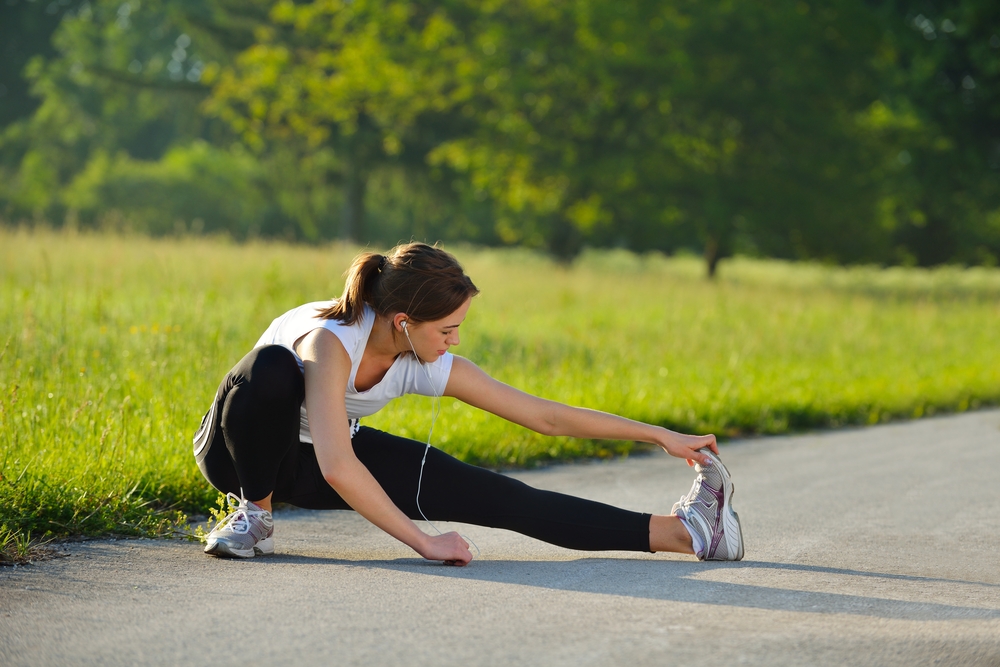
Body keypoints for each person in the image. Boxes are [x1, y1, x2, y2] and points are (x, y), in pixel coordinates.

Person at [192, 242, 743, 565]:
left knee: (498, 495)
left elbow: (543, 416)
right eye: (449, 329)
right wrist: (424, 543)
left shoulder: (420, 356)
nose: (455, 341)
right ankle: (254, 517)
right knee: (270, 370)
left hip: (315, 461)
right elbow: (339, 466)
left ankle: (687, 532)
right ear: (404, 322)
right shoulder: (331, 341)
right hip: (239, 453)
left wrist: (658, 434)